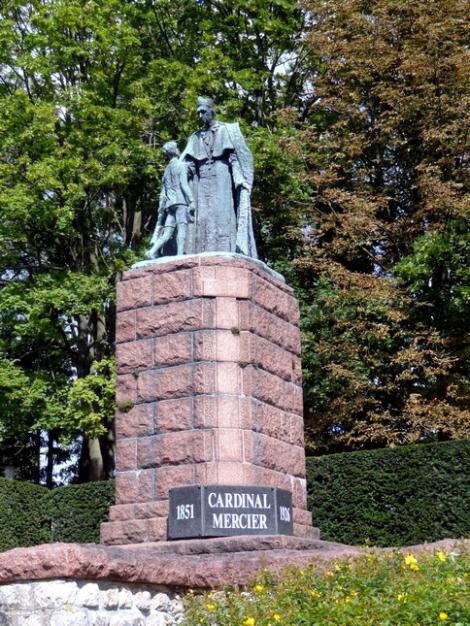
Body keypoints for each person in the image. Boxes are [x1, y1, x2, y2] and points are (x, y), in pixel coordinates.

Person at [181, 97, 257, 258]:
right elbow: (189, 164)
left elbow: (234, 159)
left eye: (203, 111)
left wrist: (239, 180)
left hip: (222, 176)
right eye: (198, 112)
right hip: (203, 180)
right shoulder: (195, 137)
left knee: (222, 215)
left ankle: (226, 254)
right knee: (203, 217)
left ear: (211, 110)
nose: (200, 115)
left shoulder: (226, 130)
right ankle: (203, 254)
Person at [145, 141, 194, 258]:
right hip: (180, 201)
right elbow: (184, 185)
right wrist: (192, 200)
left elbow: (164, 191)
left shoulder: (166, 170)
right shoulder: (181, 166)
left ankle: (152, 252)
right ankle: (180, 254)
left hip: (169, 204)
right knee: (182, 227)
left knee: (167, 233)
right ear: (174, 151)